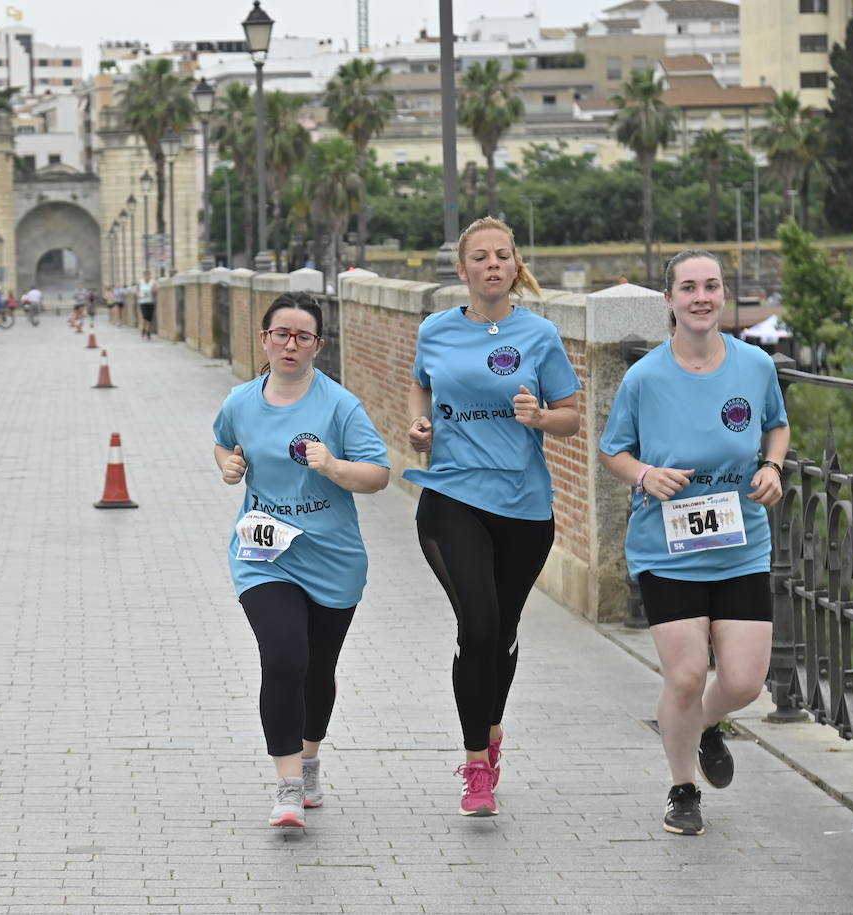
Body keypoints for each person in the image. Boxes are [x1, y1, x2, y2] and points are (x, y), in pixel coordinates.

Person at [598, 249, 789, 837]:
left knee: (742, 682)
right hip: (667, 547)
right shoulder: (645, 376)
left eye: (711, 286)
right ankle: (683, 788)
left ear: (724, 294)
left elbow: (775, 425)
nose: (701, 297)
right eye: (688, 288)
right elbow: (613, 449)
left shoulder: (755, 366)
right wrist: (644, 476)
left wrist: (773, 467)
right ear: (669, 301)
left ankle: (701, 724)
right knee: (683, 677)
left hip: (740, 544)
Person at [406, 216, 582, 817]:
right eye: (478, 257)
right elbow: (420, 387)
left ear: (515, 266)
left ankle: (492, 726)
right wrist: (420, 427)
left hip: (523, 507)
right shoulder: (435, 330)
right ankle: (476, 764)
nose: (491, 265)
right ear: (463, 271)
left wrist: (540, 418)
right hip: (451, 497)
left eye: (501, 256)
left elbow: (571, 417)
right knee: (477, 627)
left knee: (502, 634)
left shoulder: (541, 336)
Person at [212, 292, 391, 829]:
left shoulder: (340, 406)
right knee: (285, 655)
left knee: (318, 669)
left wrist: (335, 467)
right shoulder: (241, 401)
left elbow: (378, 474)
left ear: (318, 344)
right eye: (281, 334)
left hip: (332, 557)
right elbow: (224, 443)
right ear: (264, 338)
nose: (291, 345)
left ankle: (310, 759)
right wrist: (229, 465)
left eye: (303, 336)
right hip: (264, 555)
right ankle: (287, 786)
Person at [137, 270, 156, 340]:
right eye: (146, 275)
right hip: (143, 302)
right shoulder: (140, 282)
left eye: (149, 275)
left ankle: (148, 331)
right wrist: (138, 295)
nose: (147, 276)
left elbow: (156, 290)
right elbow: (137, 290)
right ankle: (144, 329)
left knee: (149, 318)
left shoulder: (153, 282)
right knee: (145, 316)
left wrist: (153, 289)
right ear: (144, 275)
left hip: (150, 301)